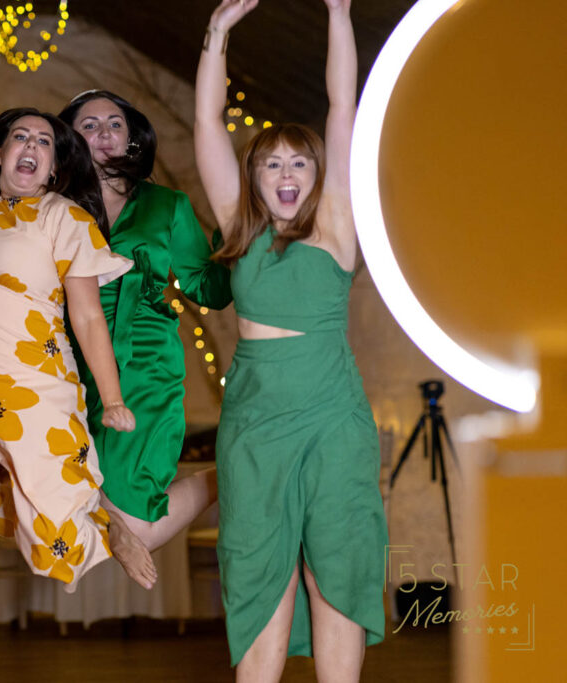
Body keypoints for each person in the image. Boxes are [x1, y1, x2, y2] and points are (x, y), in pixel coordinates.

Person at [0, 53, 172, 591]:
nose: (31, 146)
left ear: (54, 168)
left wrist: (113, 398)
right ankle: (1, 469)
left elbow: (89, 315)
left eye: (45, 142)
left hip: (34, 395)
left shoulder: (65, 219)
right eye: (21, 137)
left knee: (62, 540)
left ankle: (107, 521)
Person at [194, 0, 386, 679]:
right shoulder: (237, 229)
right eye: (270, 164)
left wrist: (338, 12)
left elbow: (343, 107)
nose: (284, 174)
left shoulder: (336, 226)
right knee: (256, 570)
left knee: (336, 563)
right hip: (254, 427)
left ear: (315, 177)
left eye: (297, 164)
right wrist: (218, 33)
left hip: (333, 421)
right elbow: (208, 125)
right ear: (253, 179)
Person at [55, 90, 233, 586]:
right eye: (89, 125)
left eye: (116, 123)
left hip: (147, 368)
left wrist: (236, 234)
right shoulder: (49, 208)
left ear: (132, 137)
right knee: (62, 509)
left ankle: (222, 476)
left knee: (138, 520)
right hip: (64, 366)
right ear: (68, 139)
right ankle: (119, 529)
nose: (105, 131)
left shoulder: (167, 206)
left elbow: (212, 291)